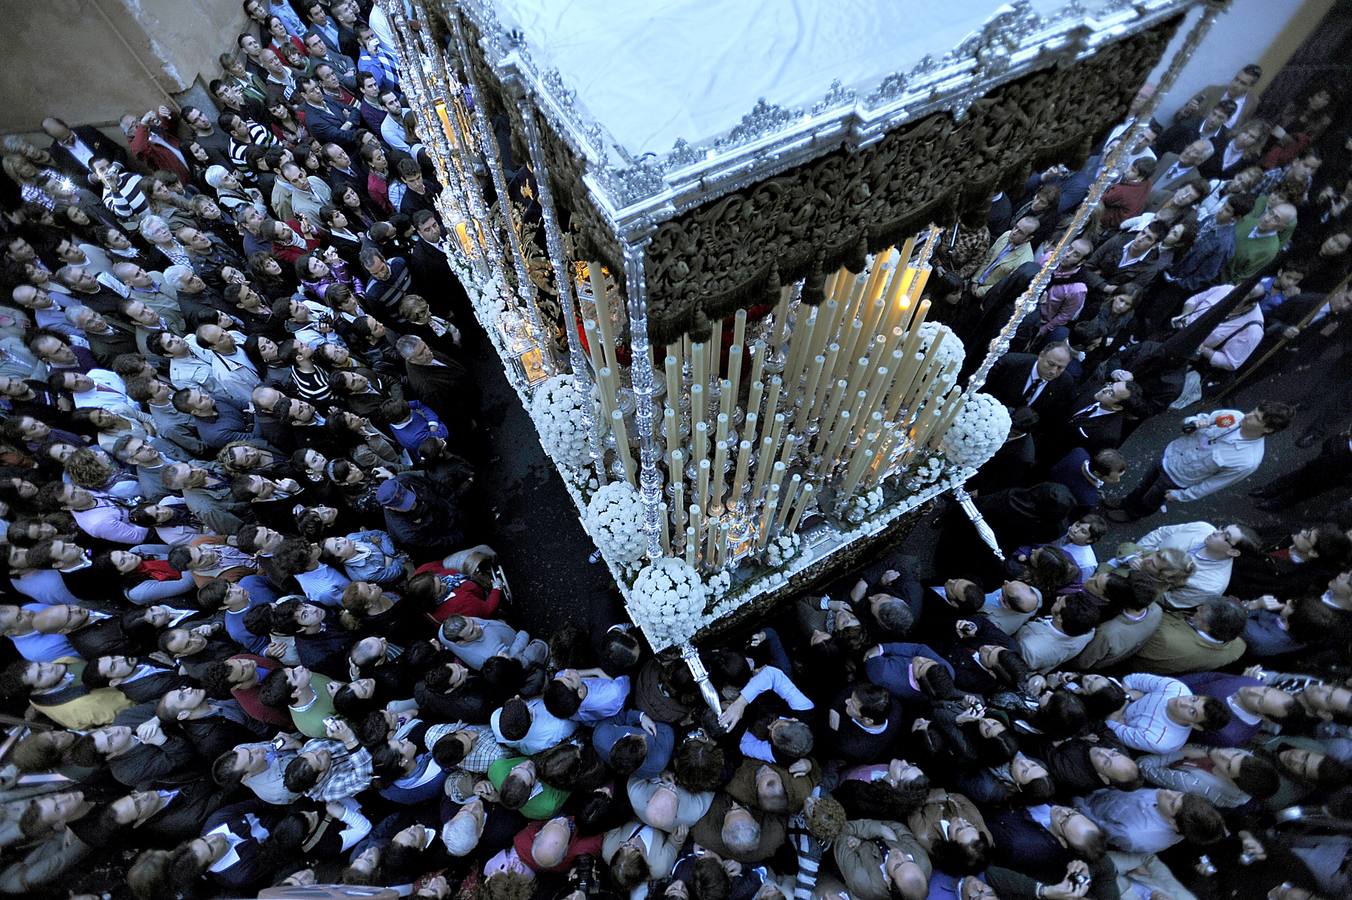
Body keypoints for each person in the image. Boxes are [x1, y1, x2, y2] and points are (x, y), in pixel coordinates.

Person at [1110, 404, 1294, 520]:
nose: (1247, 416)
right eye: (1253, 411)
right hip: (1171, 454)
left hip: (1178, 478)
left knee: (1151, 499)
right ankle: (1126, 501)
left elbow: (1215, 483)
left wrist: (1182, 496)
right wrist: (1192, 423)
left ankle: (1133, 514)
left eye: (1256, 418)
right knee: (1144, 484)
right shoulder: (1233, 416)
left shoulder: (1248, 460)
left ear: (1268, 429)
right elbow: (1199, 420)